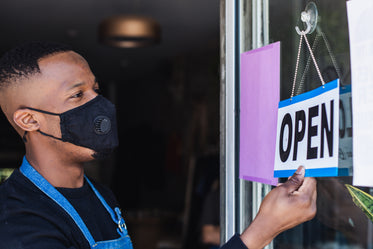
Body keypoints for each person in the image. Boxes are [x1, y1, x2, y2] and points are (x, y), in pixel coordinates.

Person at [0, 41, 316, 249]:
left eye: (96, 90)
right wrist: (260, 233)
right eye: (77, 95)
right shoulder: (18, 223)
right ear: (29, 120)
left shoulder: (100, 194)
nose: (100, 105)